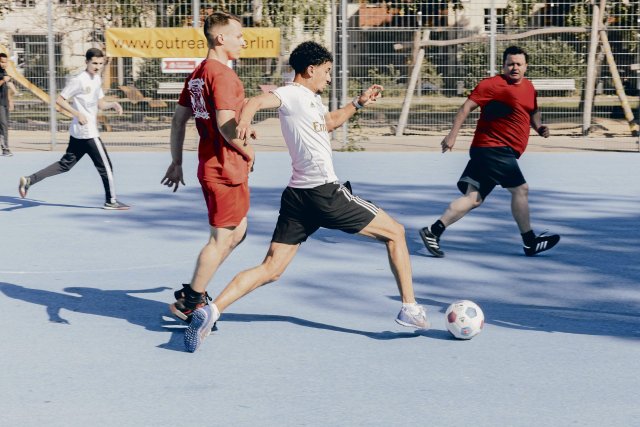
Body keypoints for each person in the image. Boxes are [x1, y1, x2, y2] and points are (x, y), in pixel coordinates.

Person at [182, 40, 429, 353]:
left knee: (271, 268)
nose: (329, 78)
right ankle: (410, 308)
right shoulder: (293, 93)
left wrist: (359, 102)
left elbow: (327, 123)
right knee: (396, 233)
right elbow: (259, 100)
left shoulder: (310, 100)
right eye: (326, 72)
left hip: (298, 196)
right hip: (324, 192)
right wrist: (245, 118)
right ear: (310, 70)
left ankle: (210, 310)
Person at [419, 45, 559, 258]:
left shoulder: (529, 88)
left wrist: (539, 127)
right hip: (494, 147)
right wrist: (452, 135)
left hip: (494, 151)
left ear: (526, 66)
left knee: (473, 198)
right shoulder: (492, 85)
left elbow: (533, 111)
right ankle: (530, 242)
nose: (514, 67)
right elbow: (465, 108)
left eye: (518, 64)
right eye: (510, 64)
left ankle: (433, 231)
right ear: (503, 66)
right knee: (521, 189)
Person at [160, 12, 255, 327]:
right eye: (239, 36)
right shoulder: (223, 75)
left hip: (212, 164)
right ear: (221, 38)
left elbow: (178, 121)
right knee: (221, 238)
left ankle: (194, 290)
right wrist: (247, 149)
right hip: (225, 168)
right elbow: (225, 127)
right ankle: (191, 300)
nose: (243, 41)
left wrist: (177, 161)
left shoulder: (199, 73)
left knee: (237, 231)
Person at [18, 48, 128, 210]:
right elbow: (60, 100)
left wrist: (113, 104)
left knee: (64, 165)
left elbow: (101, 104)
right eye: (94, 63)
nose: (97, 66)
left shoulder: (96, 79)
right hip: (86, 132)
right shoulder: (79, 80)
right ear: (87, 62)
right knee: (106, 167)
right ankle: (111, 201)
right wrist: (77, 113)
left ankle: (29, 180)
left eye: (100, 63)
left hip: (79, 133)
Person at [0, 52, 14, 157]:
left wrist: (10, 100)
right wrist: (3, 80)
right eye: (1, 62)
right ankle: (5, 149)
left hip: (4, 102)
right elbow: (3, 82)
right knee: (3, 125)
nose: (3, 64)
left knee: (3, 126)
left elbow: (7, 86)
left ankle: (5, 148)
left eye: (5, 62)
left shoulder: (3, 71)